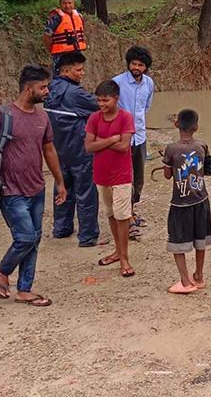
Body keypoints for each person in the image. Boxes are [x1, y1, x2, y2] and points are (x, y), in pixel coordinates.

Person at [0, 65, 66, 307]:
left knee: (35, 240)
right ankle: (2, 271)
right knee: (26, 237)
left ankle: (25, 290)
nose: (47, 91)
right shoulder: (1, 116)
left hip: (37, 188)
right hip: (10, 191)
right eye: (42, 87)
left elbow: (49, 150)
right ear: (28, 89)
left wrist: (59, 181)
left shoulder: (42, 117)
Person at [44, 51, 102, 247]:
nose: (83, 73)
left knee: (62, 187)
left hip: (58, 150)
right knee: (86, 192)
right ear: (66, 71)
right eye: (79, 70)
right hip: (80, 150)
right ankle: (87, 236)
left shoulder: (49, 88)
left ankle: (61, 228)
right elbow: (99, 107)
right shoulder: (75, 93)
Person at [83, 80, 136, 277]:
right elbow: (88, 146)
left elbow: (124, 147)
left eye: (105, 100)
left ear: (116, 99)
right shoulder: (94, 118)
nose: (101, 104)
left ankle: (124, 258)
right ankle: (118, 251)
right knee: (111, 214)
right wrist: (112, 139)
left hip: (122, 176)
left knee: (122, 216)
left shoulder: (126, 118)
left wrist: (100, 142)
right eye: (98, 101)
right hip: (101, 176)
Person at [162, 109, 211, 294]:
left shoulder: (171, 149)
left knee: (177, 241)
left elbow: (168, 176)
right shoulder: (202, 145)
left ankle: (185, 282)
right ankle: (198, 276)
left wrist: (167, 163)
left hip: (180, 203)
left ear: (176, 125)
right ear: (196, 127)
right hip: (201, 200)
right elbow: (204, 168)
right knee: (200, 240)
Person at [112, 46, 154, 238]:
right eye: (133, 63)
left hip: (141, 137)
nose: (136, 67)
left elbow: (145, 108)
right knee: (124, 178)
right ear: (128, 63)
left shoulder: (149, 84)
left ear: (146, 67)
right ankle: (126, 216)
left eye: (140, 65)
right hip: (122, 138)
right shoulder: (117, 83)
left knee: (139, 178)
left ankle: (132, 208)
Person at [43, 0, 87, 76]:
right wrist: (53, 51)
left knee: (77, 77)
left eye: (70, 3)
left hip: (76, 53)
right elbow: (46, 38)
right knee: (60, 79)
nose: (67, 6)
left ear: (74, 3)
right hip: (61, 56)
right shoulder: (55, 19)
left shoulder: (79, 16)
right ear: (60, 4)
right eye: (64, 3)